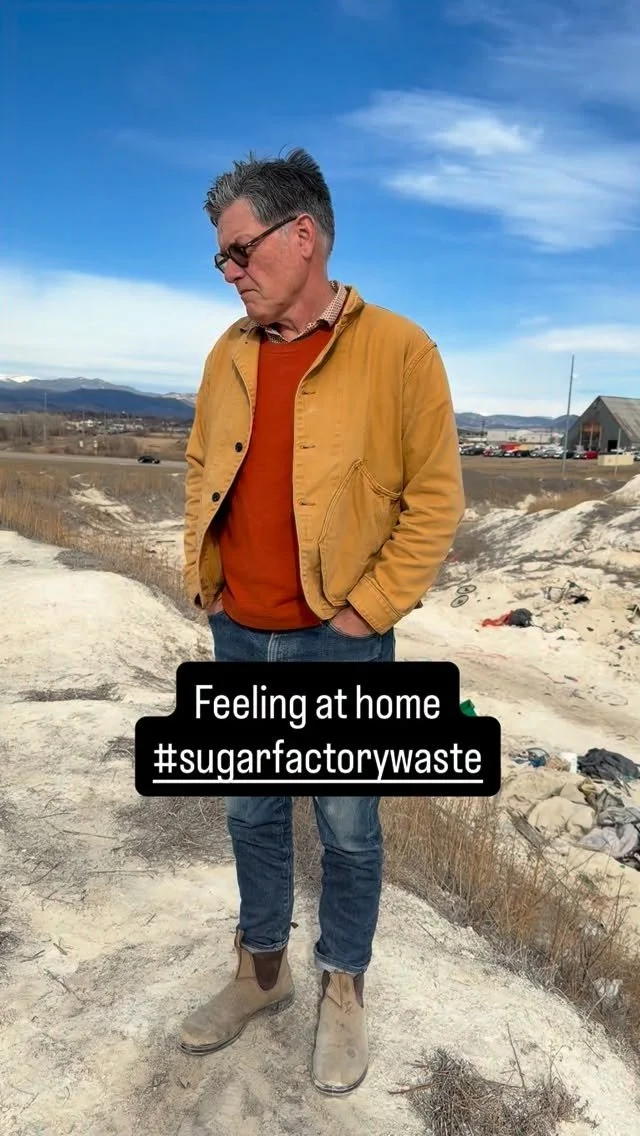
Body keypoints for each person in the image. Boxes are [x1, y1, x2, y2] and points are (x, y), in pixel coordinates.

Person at [180, 148, 464, 1094]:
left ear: (302, 236)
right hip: (238, 636)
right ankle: (263, 972)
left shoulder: (402, 351)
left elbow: (435, 502)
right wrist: (207, 581)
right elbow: (200, 466)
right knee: (250, 813)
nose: (230, 271)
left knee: (346, 824)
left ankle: (343, 987)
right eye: (221, 257)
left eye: (240, 250)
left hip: (336, 642)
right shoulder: (227, 352)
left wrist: (365, 614)